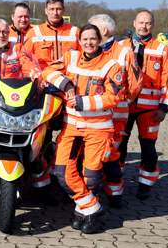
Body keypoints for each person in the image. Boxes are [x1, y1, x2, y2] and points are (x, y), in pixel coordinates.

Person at [0, 19, 58, 205]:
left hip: (15, 101)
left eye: (4, 32)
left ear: (9, 32)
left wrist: (39, 79)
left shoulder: (19, 49)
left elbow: (31, 66)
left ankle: (40, 185)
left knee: (41, 136)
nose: (1, 35)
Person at [42, 24, 123, 234]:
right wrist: (66, 85)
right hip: (71, 126)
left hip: (98, 128)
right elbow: (47, 71)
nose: (88, 43)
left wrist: (83, 102)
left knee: (92, 177)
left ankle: (82, 212)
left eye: (93, 39)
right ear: (80, 41)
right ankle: (93, 208)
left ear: (99, 40)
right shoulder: (71, 58)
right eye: (85, 39)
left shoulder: (111, 65)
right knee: (62, 172)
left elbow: (114, 97)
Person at [117, 10, 168, 200]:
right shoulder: (120, 46)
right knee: (119, 146)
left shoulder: (162, 48)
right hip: (123, 107)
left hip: (150, 108)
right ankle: (116, 181)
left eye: (148, 23)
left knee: (148, 148)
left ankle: (145, 184)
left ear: (153, 26)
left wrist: (164, 107)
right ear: (134, 23)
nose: (144, 26)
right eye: (141, 22)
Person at [89, 14, 143, 208]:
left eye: (92, 27)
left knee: (112, 158)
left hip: (114, 119)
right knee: (91, 158)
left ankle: (114, 194)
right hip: (91, 118)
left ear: (103, 31)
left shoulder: (124, 52)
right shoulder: (87, 50)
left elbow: (135, 85)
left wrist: (119, 101)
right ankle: (90, 196)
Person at [24, 0, 80, 70]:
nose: (55, 13)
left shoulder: (76, 31)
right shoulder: (33, 32)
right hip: (43, 78)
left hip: (68, 78)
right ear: (46, 10)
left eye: (58, 9)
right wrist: (36, 76)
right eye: (52, 9)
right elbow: (25, 59)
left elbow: (83, 58)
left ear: (64, 10)